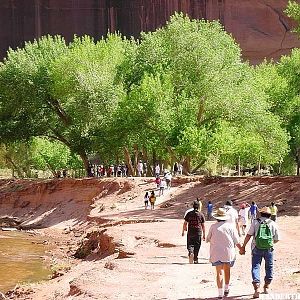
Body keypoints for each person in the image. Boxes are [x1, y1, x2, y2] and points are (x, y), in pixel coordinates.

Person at [240, 207, 280, 298]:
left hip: (256, 247)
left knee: (256, 266)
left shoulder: (255, 222)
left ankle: (256, 288)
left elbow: (248, 235)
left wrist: (243, 247)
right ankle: (266, 287)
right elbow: (277, 239)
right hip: (269, 249)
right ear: (270, 215)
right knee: (269, 267)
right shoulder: (273, 223)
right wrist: (269, 243)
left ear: (261, 214)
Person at [206, 208, 243, 299]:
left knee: (219, 272)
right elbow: (236, 241)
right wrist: (241, 249)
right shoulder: (231, 227)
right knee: (227, 270)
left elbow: (207, 239)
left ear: (217, 218)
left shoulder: (213, 227)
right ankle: (226, 289)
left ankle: (220, 294)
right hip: (228, 252)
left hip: (216, 252)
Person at [182, 200, 205, 264]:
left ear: (193, 206)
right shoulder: (201, 214)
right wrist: (204, 234)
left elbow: (185, 223)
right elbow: (203, 225)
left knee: (190, 244)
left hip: (191, 232)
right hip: (198, 232)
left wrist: (183, 231)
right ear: (198, 207)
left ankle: (191, 252)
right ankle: (195, 259)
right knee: (197, 245)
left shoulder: (189, 213)